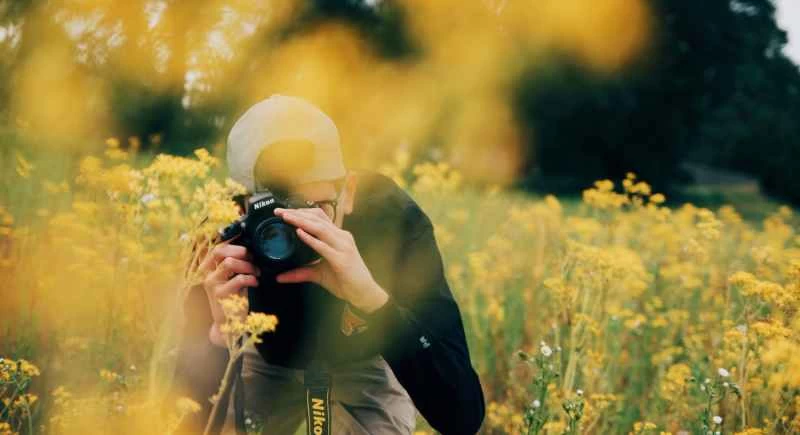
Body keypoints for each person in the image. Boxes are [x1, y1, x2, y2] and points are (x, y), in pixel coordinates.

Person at [171, 95, 485, 435]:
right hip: (261, 352)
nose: (299, 231)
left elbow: (462, 417)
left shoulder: (391, 222)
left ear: (348, 192)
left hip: (363, 355)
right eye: (274, 217)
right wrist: (220, 338)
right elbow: (183, 420)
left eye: (316, 207)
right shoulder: (220, 241)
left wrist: (373, 301)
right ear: (237, 209)